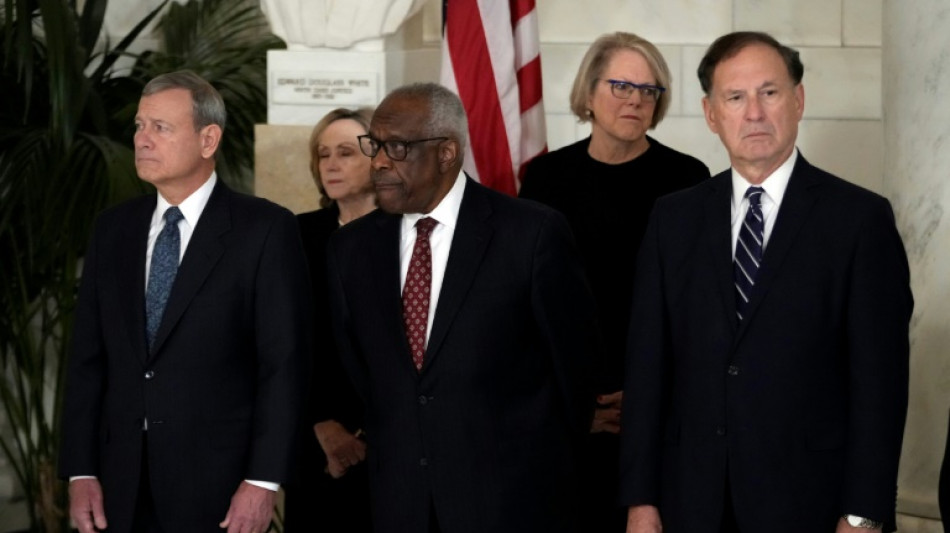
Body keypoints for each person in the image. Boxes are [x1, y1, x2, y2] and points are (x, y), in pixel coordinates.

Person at [619, 31, 912, 533]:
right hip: (692, 503)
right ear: (713, 115)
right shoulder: (674, 220)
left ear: (797, 101)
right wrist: (640, 502)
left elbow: (880, 386)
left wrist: (863, 513)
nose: (753, 112)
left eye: (769, 93)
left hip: (811, 506)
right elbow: (649, 373)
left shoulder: (859, 220)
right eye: (736, 97)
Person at [325, 83, 600, 533]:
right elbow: (362, 371)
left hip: (512, 502)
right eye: (374, 145)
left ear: (446, 153)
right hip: (400, 502)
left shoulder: (530, 236)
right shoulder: (349, 250)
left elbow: (575, 372)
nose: (377, 162)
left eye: (395, 147)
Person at [58, 70, 312, 532]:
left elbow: (284, 365)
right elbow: (86, 362)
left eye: (161, 127)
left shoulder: (265, 230)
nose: (142, 139)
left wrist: (263, 480)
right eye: (139, 125)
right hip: (119, 484)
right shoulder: (112, 229)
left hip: (220, 486)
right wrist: (81, 470)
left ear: (208, 139)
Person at [519, 31, 709, 531]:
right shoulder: (544, 179)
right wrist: (581, 402)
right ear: (588, 94)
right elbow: (529, 304)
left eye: (649, 91)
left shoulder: (688, 178)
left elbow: (696, 307)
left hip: (663, 408)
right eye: (621, 86)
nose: (636, 100)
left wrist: (644, 395)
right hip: (565, 411)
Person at [283, 107, 376, 532]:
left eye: (345, 153)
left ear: (380, 158)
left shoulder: (410, 234)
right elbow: (283, 343)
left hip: (393, 444)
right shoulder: (295, 236)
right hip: (313, 441)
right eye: (323, 155)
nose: (331, 165)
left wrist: (366, 432)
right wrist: (320, 423)